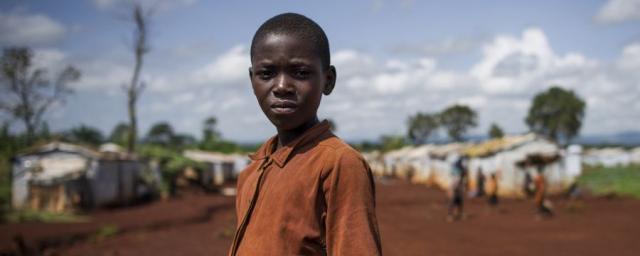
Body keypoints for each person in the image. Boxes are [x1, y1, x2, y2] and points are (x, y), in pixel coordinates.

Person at [228, 13, 382, 255]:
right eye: (266, 73)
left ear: (328, 80)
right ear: (252, 80)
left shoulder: (338, 164)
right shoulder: (251, 172)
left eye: (300, 73)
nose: (281, 87)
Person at [447, 156, 467, 222]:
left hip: (458, 188)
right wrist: (450, 190)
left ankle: (458, 214)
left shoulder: (461, 171)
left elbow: (462, 180)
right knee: (452, 202)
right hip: (454, 187)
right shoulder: (455, 170)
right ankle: (450, 216)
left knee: (459, 202)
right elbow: (452, 181)